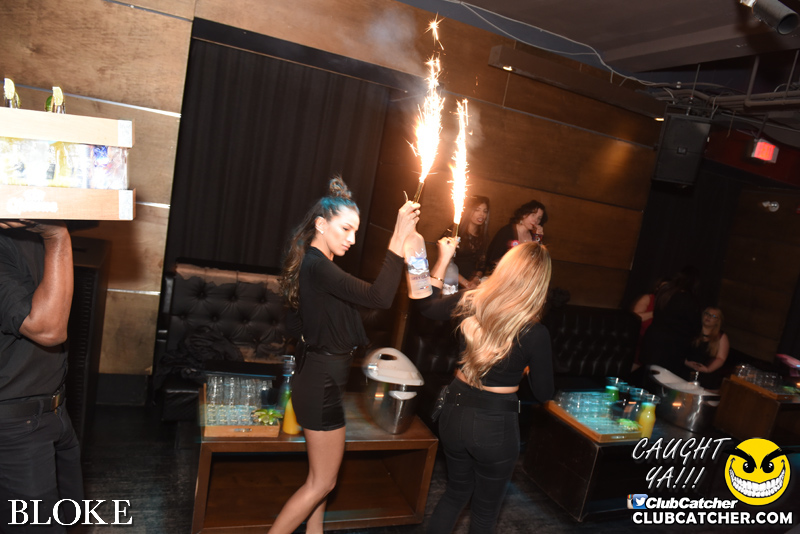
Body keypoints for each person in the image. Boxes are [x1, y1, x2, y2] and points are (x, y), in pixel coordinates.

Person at [270, 177, 419, 534]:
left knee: (322, 479)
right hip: (321, 383)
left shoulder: (316, 266)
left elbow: (296, 323)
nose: (352, 239)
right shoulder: (318, 266)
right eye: (346, 229)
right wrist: (398, 238)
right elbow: (380, 298)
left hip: (320, 380)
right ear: (321, 225)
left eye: (356, 231)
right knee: (322, 483)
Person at [418, 237, 554, 534]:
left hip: (453, 411)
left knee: (455, 492)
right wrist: (525, 367)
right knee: (484, 512)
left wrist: (443, 258)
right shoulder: (535, 332)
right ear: (539, 284)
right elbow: (544, 392)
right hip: (494, 424)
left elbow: (425, 306)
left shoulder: (472, 299)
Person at [0, 219, 83, 532]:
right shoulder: (42, 234)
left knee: (71, 521)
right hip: (14, 427)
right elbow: (47, 329)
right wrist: (56, 235)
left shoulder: (30, 229)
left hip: (54, 412)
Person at [637, 266, 702, 379]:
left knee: (646, 377)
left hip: (653, 340)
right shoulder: (690, 300)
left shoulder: (665, 292)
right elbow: (695, 327)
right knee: (663, 381)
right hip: (672, 348)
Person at [440, 195, 490, 289]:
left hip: (471, 282)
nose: (481, 214)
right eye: (477, 210)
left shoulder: (483, 236)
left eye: (485, 211)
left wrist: (476, 279)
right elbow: (446, 263)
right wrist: (465, 283)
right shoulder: (454, 232)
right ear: (468, 211)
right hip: (450, 281)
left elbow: (482, 264)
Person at [485, 199, 547, 272]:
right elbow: (493, 259)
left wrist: (538, 239)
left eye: (539, 218)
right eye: (533, 215)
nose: (535, 220)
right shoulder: (507, 231)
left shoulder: (534, 236)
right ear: (524, 214)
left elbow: (537, 260)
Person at [685, 307, 730, 390]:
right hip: (685, 370)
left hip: (705, 377)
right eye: (707, 314)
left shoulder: (721, 337)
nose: (709, 317)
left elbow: (721, 358)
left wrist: (708, 369)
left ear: (717, 321)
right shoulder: (692, 330)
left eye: (713, 316)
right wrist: (686, 362)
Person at [631, 278, 668, 371]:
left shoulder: (670, 305)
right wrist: (655, 313)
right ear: (657, 288)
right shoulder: (649, 298)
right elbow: (635, 317)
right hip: (638, 341)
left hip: (654, 346)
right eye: (663, 288)